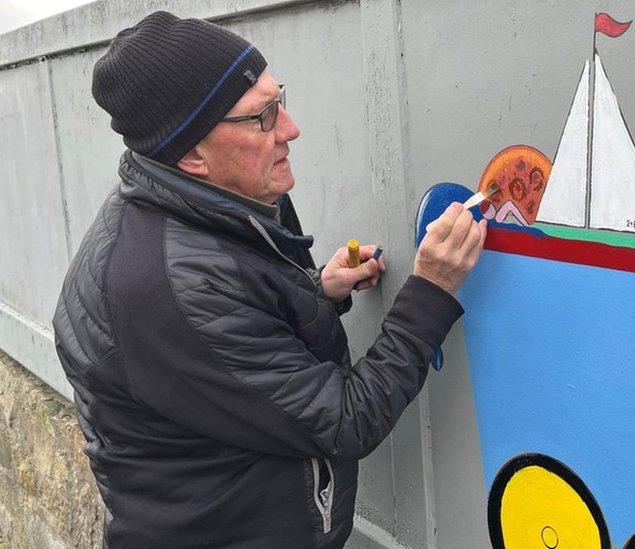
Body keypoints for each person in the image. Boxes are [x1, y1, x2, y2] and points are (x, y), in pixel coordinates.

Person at [51, 11, 486, 548]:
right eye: (263, 116)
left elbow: (235, 352)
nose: (290, 128)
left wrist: (316, 292)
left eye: (279, 98)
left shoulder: (201, 213)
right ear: (191, 155)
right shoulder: (171, 289)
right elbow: (347, 420)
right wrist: (430, 290)